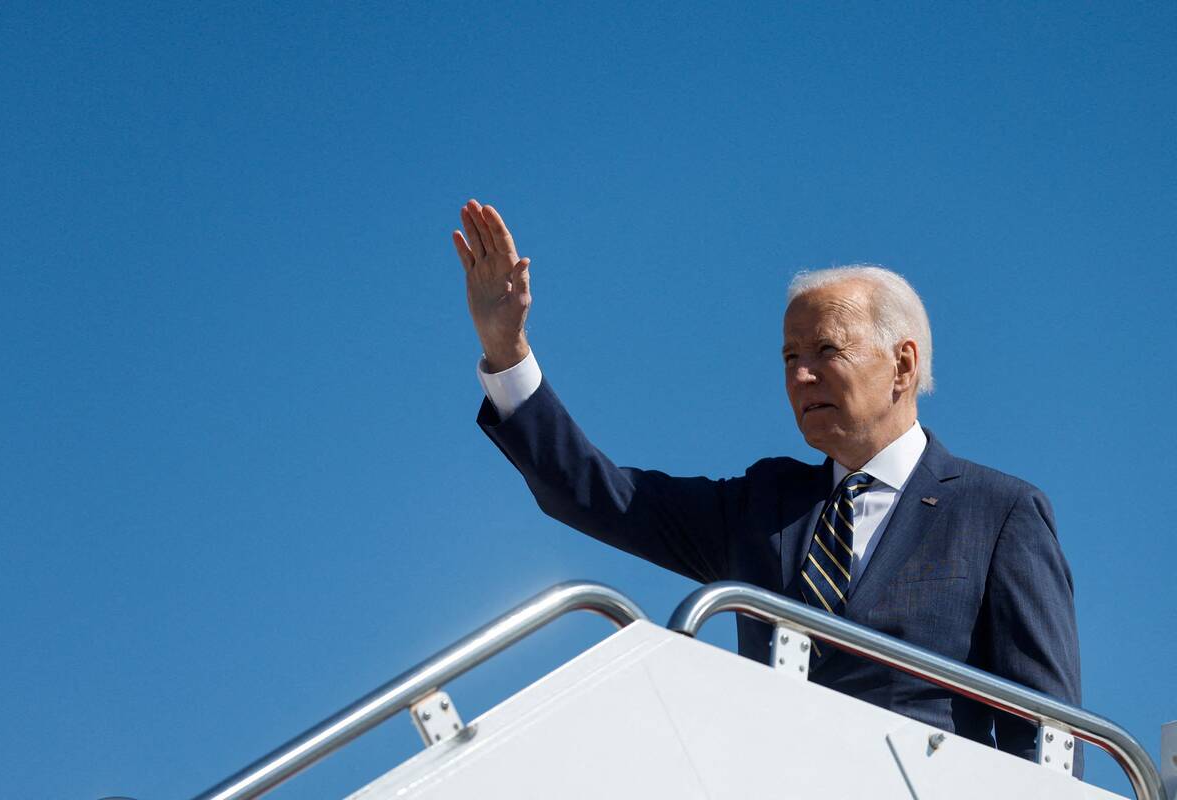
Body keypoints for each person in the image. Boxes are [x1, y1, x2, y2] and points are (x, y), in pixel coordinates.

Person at [450, 198, 1082, 773]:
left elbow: (1051, 733)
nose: (801, 376)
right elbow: (596, 493)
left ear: (904, 364)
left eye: (826, 351)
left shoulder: (998, 512)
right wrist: (506, 351)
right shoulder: (763, 504)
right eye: (789, 358)